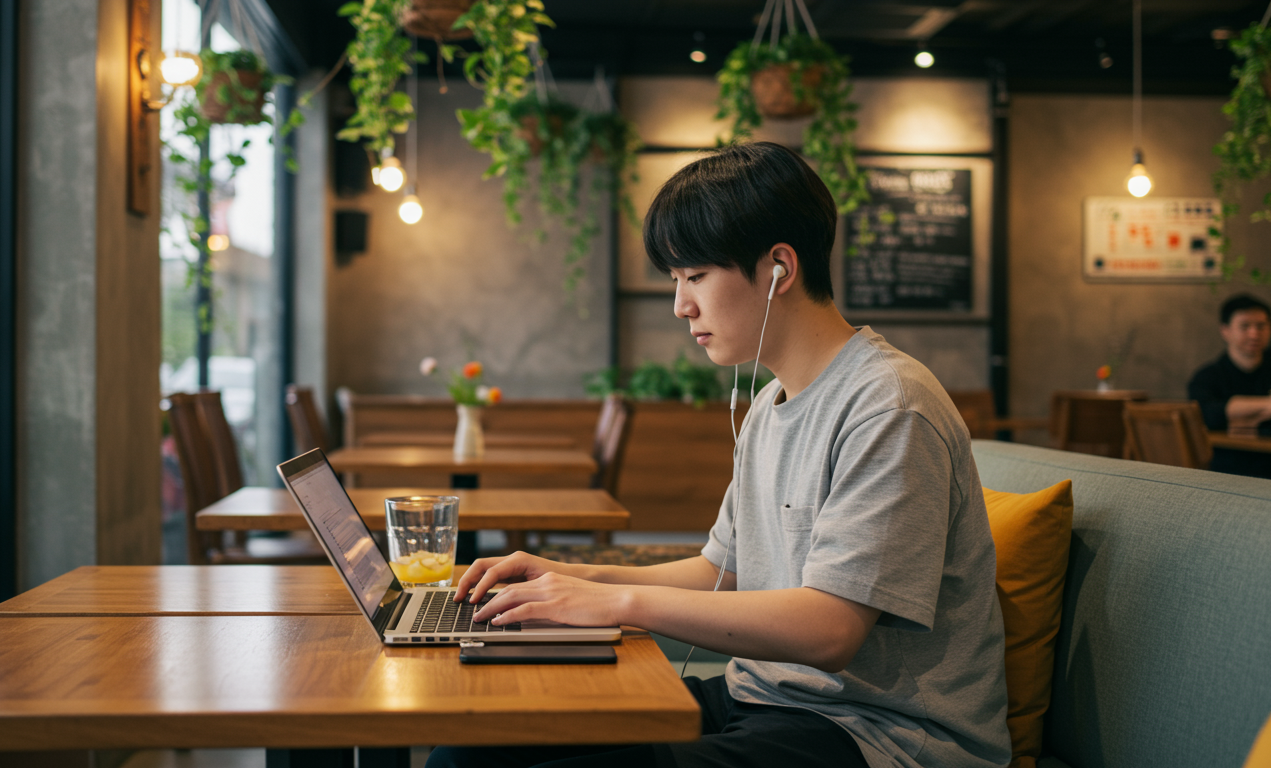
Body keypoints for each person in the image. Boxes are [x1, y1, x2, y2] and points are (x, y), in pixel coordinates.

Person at [427, 142, 1010, 768]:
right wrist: (570, 579)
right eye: (676, 281)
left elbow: (831, 630)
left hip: (876, 731)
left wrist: (616, 604)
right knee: (471, 750)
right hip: (763, 697)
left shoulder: (890, 406)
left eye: (695, 276)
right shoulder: (770, 402)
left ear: (779, 268)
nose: (681, 305)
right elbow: (722, 572)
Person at [1188, 294, 1271, 478]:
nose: (1254, 333)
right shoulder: (1207, 377)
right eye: (1245, 326)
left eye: (1261, 326)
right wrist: (1267, 406)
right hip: (1226, 471)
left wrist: (1239, 416)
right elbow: (1205, 415)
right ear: (1225, 331)